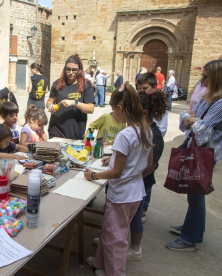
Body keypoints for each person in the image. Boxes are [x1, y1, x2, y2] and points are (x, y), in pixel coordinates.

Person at [85, 83, 153, 276]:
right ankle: (100, 262)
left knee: (115, 238)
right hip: (136, 192)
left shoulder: (125, 134)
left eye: (113, 109)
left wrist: (94, 175)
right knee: (110, 230)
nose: (113, 113)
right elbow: (148, 164)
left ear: (120, 108)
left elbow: (115, 173)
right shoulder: (145, 129)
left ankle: (115, 273)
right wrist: (118, 161)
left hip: (121, 195)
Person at [166, 59, 222, 251]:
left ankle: (191, 238)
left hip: (205, 153)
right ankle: (192, 226)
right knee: (193, 192)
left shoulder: (220, 102)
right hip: (197, 148)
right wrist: (193, 120)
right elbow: (186, 120)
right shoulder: (209, 98)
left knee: (197, 194)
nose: (202, 80)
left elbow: (203, 131)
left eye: (205, 77)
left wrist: (193, 120)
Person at [126, 90, 167, 260]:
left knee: (135, 216)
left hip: (141, 182)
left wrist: (131, 177)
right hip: (134, 180)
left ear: (143, 113)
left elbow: (151, 166)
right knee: (125, 214)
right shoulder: (141, 130)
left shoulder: (154, 134)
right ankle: (114, 239)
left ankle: (135, 249)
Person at [46, 54, 95, 139]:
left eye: (74, 70)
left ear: (80, 70)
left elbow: (90, 109)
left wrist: (74, 102)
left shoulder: (86, 86)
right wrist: (50, 106)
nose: (71, 72)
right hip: (56, 130)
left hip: (76, 132)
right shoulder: (57, 84)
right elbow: (50, 101)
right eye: (68, 69)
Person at [137, 72, 168, 137]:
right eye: (139, 89)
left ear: (154, 88)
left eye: (145, 88)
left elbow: (162, 129)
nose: (142, 91)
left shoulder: (160, 104)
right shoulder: (138, 101)